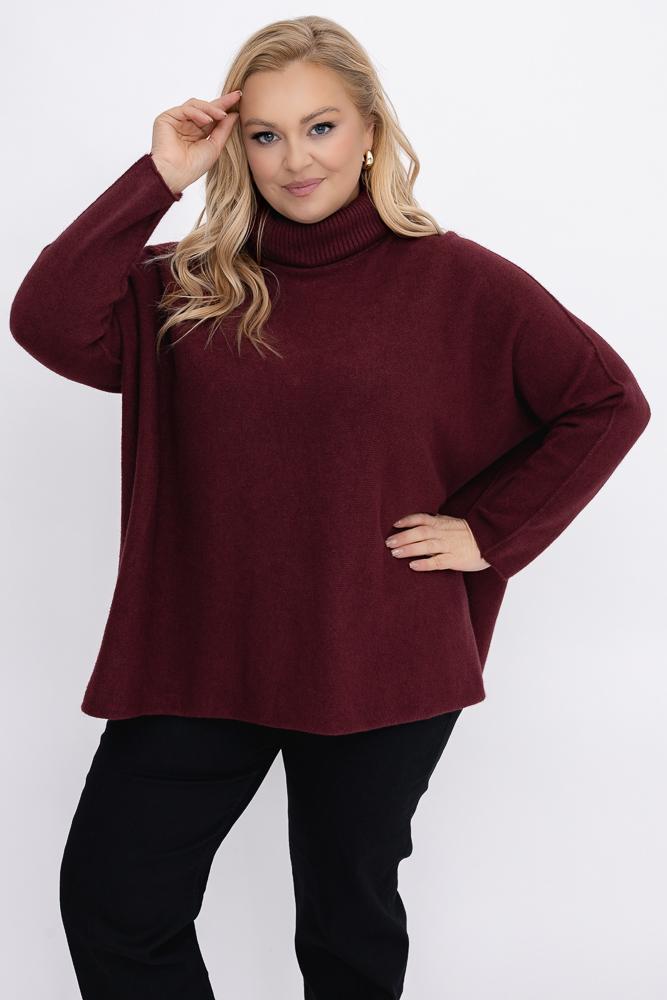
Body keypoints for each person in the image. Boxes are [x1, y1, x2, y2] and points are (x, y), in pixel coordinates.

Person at [9, 14, 651, 1000]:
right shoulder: (187, 283)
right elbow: (47, 322)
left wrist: (489, 532)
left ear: (369, 133)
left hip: (378, 649)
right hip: (200, 653)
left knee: (347, 924)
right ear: (238, 146)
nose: (295, 159)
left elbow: (605, 401)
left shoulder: (456, 280)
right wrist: (159, 177)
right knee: (114, 901)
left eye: (320, 127)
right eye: (266, 134)